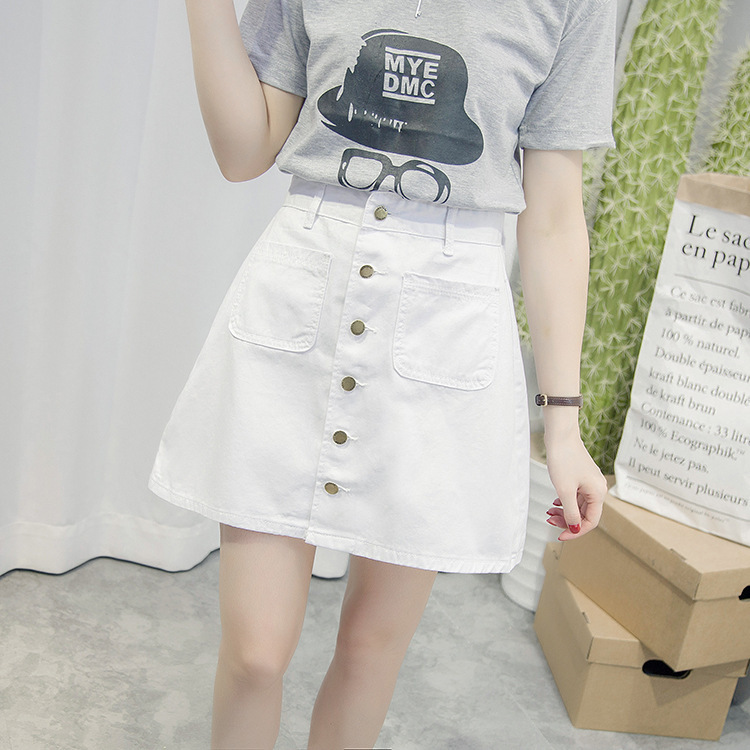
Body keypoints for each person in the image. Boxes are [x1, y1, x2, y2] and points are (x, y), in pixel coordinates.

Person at [148, 1, 616, 747]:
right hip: (302, 296)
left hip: (443, 326)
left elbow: (556, 216)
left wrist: (563, 428)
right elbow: (244, 151)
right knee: (256, 653)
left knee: (370, 650)